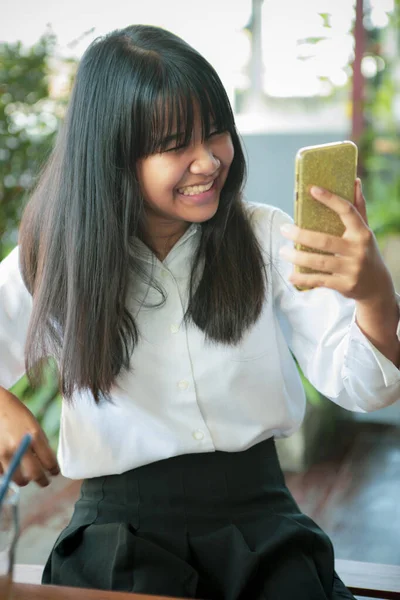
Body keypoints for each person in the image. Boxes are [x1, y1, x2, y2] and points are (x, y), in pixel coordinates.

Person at [0, 24, 399, 600]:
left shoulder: (265, 238)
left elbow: (364, 388)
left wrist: (374, 294)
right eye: (175, 146)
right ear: (112, 152)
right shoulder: (53, 258)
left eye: (216, 133)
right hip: (118, 542)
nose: (208, 161)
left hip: (264, 534)